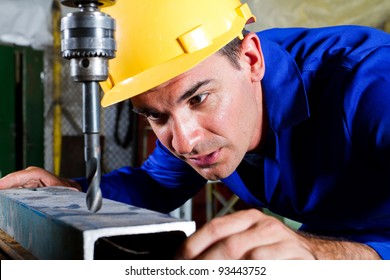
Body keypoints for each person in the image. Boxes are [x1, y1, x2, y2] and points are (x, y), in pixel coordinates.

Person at [1, 0, 390, 260]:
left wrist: (328, 255)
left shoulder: (372, 84)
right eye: (156, 116)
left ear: (251, 59)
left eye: (199, 99)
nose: (185, 142)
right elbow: (155, 185)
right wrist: (76, 194)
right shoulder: (205, 114)